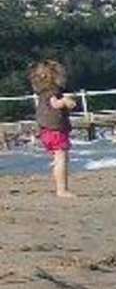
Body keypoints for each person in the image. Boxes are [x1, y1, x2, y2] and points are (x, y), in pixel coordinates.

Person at [29, 58, 77, 200]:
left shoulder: (42, 93)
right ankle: (62, 190)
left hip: (46, 130)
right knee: (61, 158)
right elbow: (55, 104)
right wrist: (66, 101)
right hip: (55, 130)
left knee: (58, 158)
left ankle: (60, 187)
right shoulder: (52, 92)